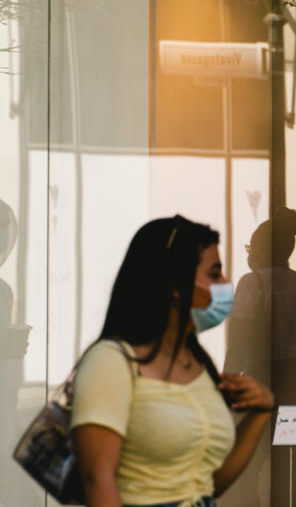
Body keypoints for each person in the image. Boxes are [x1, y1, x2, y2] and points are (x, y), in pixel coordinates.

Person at [70, 214, 275, 507]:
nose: (226, 284)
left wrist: (261, 412)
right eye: (214, 274)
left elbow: (207, 484)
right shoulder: (111, 362)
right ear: (175, 285)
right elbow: (97, 480)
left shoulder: (198, 364)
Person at [225, 207, 296, 507]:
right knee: (289, 471)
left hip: (260, 387)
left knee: (250, 473)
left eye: (251, 247)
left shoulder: (251, 284)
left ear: (259, 250)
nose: (248, 254)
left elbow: (237, 346)